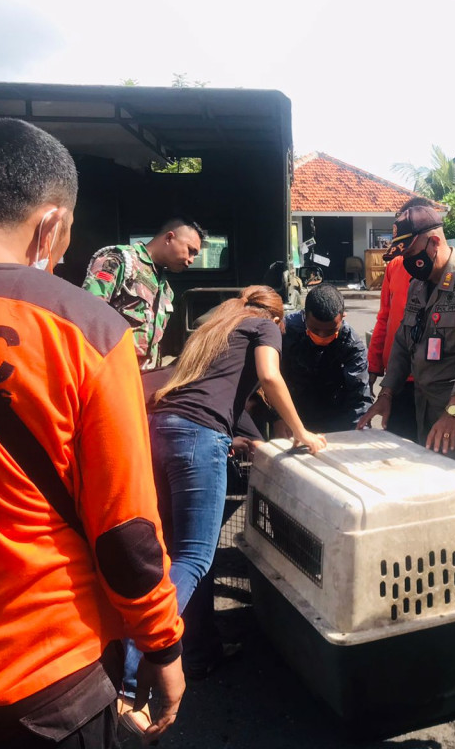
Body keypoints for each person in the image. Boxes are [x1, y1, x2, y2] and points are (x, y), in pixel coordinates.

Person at [0, 118, 184, 748]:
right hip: (48, 685)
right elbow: (126, 531)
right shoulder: (85, 329)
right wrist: (162, 648)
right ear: (51, 225)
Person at [120, 285, 326, 727]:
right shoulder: (263, 327)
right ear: (277, 317)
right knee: (195, 558)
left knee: (178, 555)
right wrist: (301, 433)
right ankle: (127, 674)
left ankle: (200, 652)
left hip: (156, 430)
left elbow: (220, 397)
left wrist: (253, 436)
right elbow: (269, 379)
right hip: (196, 439)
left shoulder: (212, 329)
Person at [357, 205, 455, 473]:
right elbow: (404, 341)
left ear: (435, 243)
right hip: (428, 413)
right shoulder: (419, 285)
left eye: (411, 254)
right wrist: (387, 392)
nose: (407, 262)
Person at [82, 217, 204, 370]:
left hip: (145, 374)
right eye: (190, 250)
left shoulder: (165, 290)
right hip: (111, 369)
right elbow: (87, 314)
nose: (191, 260)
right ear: (169, 238)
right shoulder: (121, 260)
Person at [367, 196, 433, 439]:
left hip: (431, 383)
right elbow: (384, 317)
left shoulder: (453, 274)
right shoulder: (395, 266)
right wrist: (374, 364)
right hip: (398, 380)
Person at [278, 283, 371, 433]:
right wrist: (278, 418)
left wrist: (359, 434)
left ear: (343, 317)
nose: (322, 336)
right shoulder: (285, 331)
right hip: (291, 414)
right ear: (304, 315)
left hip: (335, 417)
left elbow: (359, 398)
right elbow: (269, 379)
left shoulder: (352, 344)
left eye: (330, 331)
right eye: (315, 329)